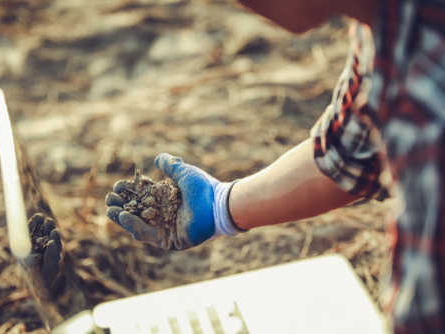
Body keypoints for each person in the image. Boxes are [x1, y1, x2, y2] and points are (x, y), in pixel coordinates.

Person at [105, 0, 445, 333]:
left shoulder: (429, 90)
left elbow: (425, 315)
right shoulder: (384, 24)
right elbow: (351, 152)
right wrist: (221, 204)